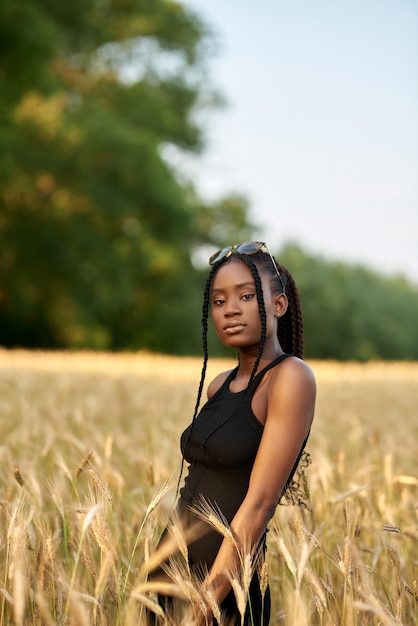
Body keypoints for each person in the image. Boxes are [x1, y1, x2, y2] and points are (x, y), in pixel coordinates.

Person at [149, 241, 316, 625]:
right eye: (219, 301)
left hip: (226, 589)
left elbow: (259, 504)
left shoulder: (290, 378)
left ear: (278, 305)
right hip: (167, 577)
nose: (231, 310)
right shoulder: (218, 385)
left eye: (246, 295)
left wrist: (208, 599)